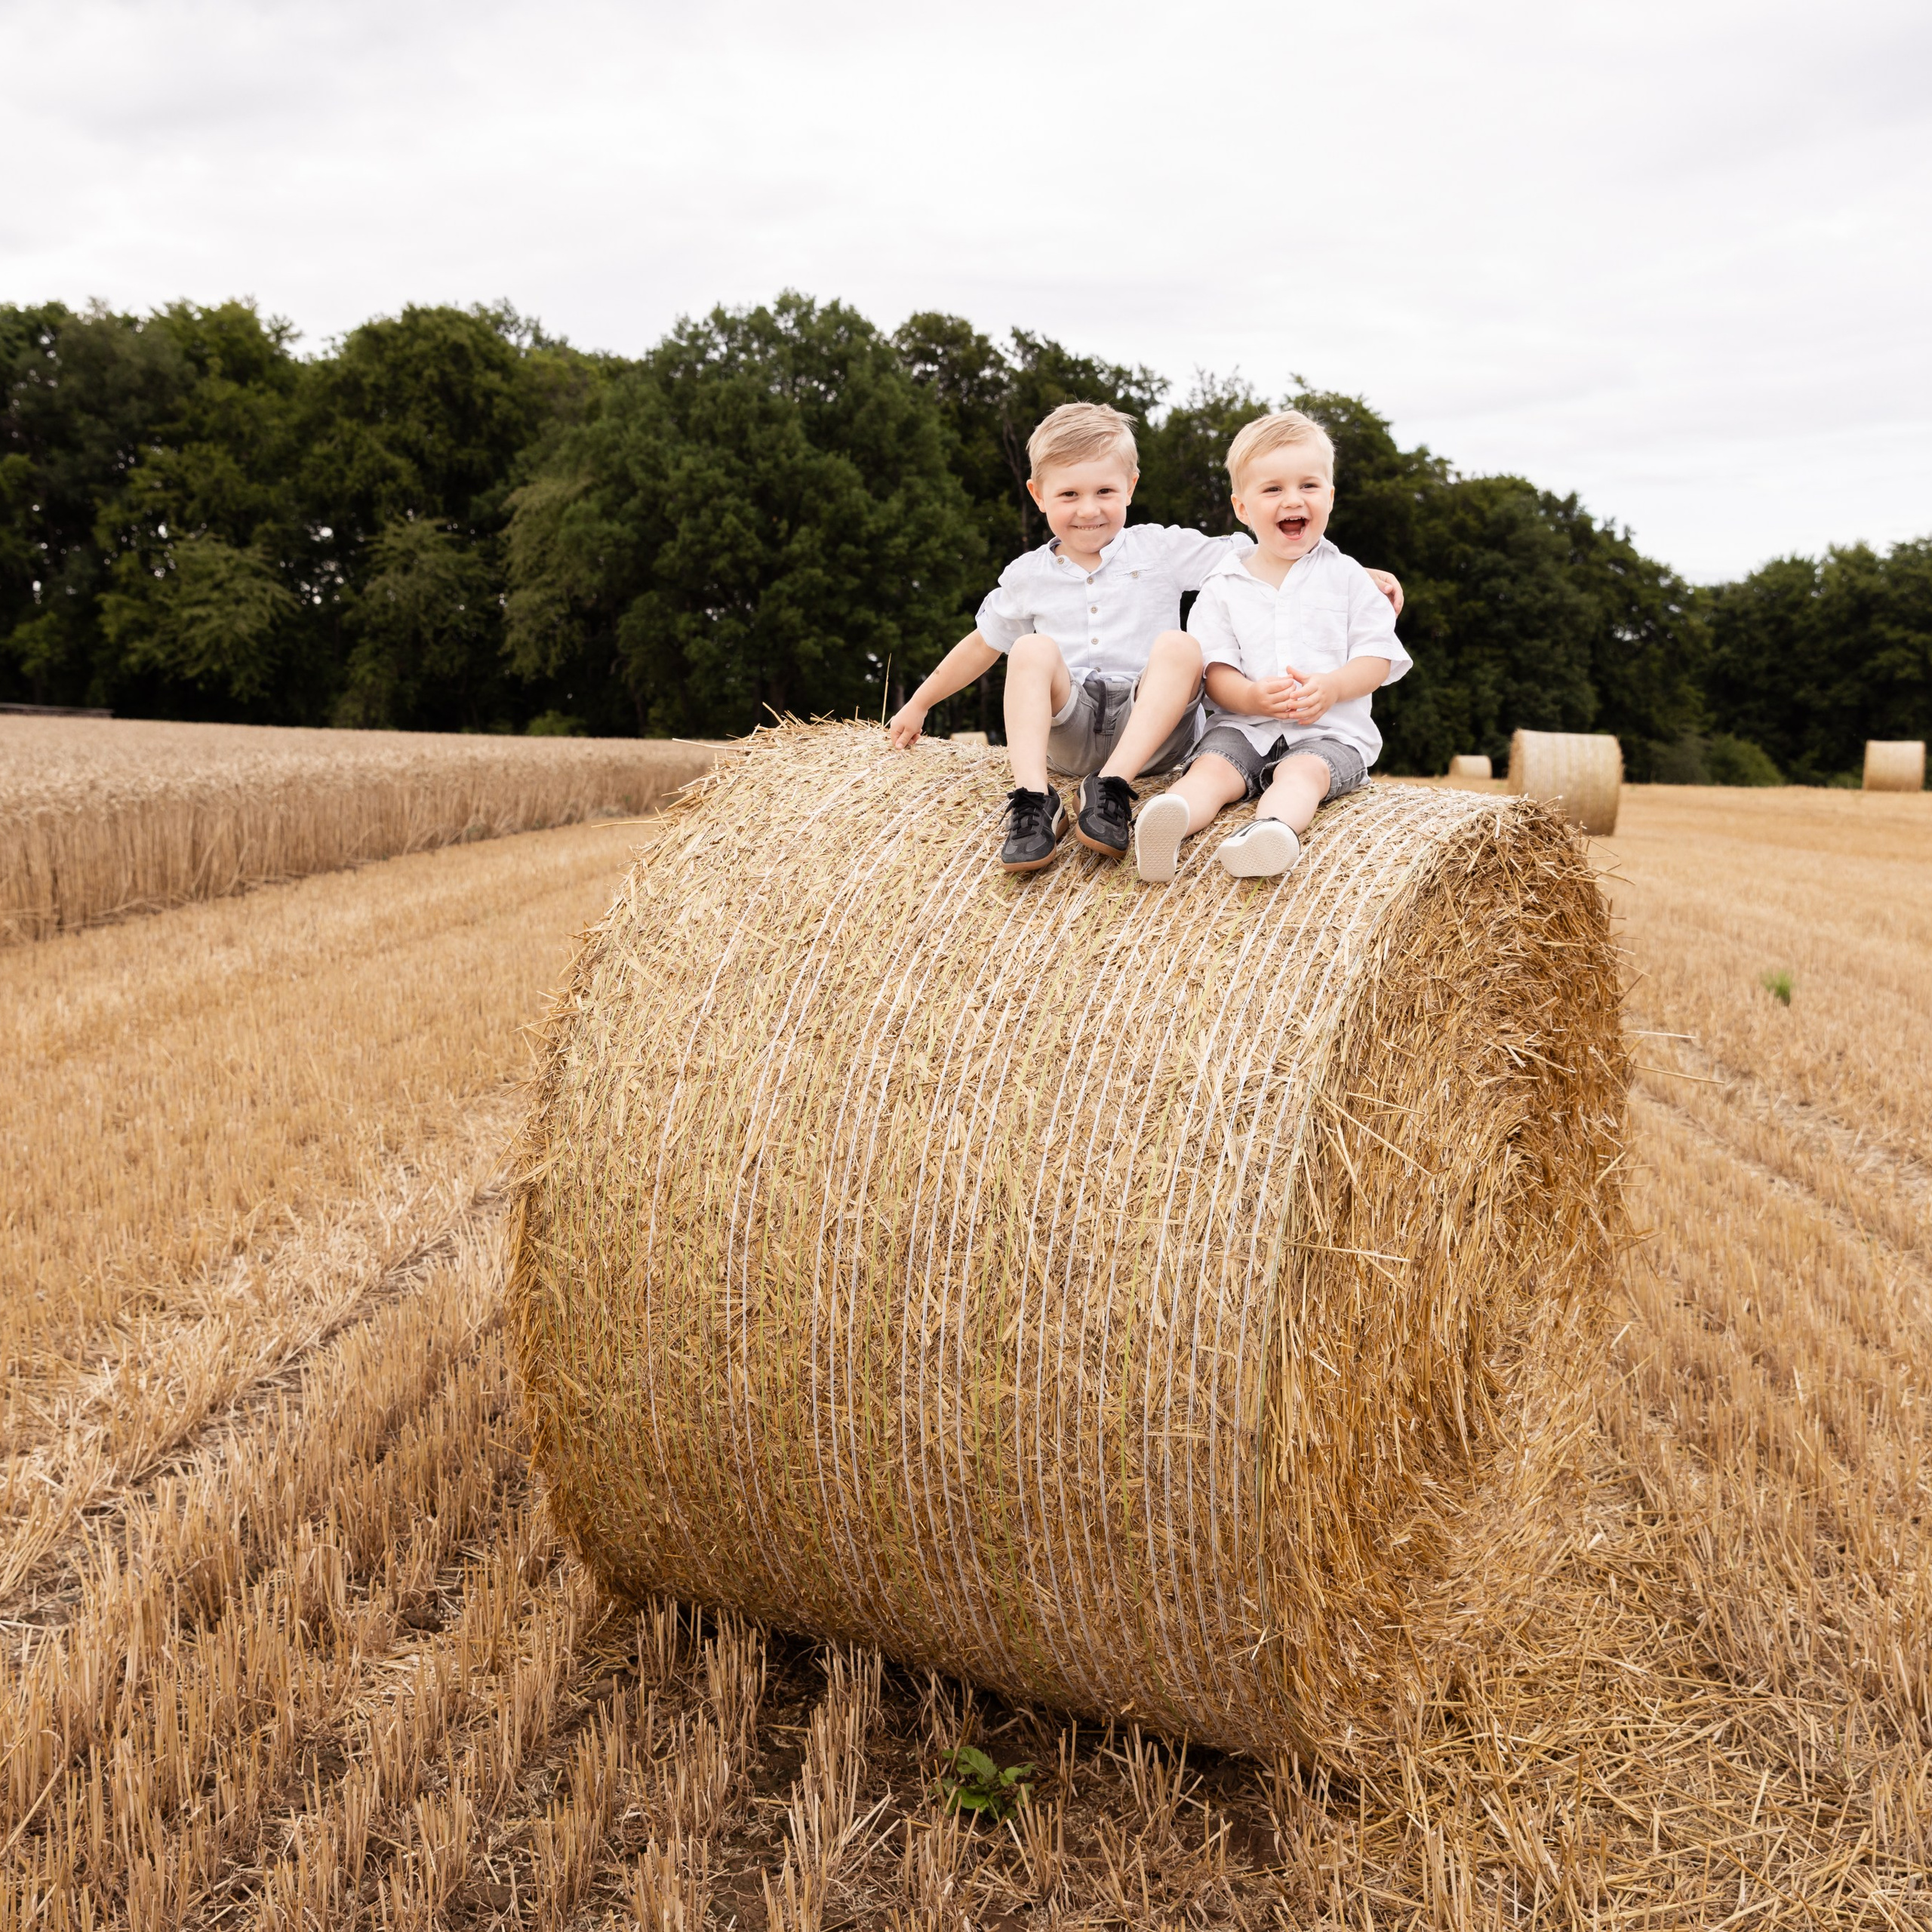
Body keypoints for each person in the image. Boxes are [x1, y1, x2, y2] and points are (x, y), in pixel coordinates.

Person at [884, 401, 1402, 873]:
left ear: (1131, 487)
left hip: (1150, 729)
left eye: (1105, 492)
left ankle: (1113, 789)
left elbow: (1262, 549)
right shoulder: (1027, 576)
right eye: (1069, 495)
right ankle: (1033, 801)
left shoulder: (1161, 549)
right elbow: (981, 643)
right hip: (1070, 730)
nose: (1089, 510)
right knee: (1029, 649)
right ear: (1038, 496)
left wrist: (1357, 573)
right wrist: (921, 703)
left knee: (1180, 645)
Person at [1130, 410, 1412, 884]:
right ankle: (1169, 822)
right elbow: (1215, 671)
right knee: (1211, 771)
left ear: (1330, 497)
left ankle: (1270, 832)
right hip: (1244, 725)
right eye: (1273, 489)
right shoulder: (1220, 586)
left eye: (1308, 486)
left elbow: (1376, 658)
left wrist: (1333, 686)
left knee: (1302, 774)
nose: (1292, 500)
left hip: (1330, 733)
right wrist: (1251, 697)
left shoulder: (1347, 577)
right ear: (1242, 509)